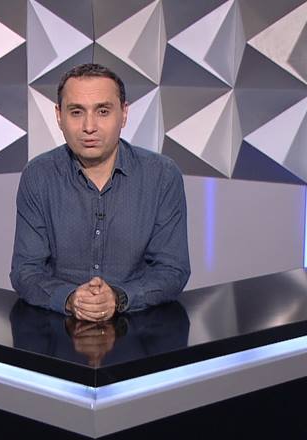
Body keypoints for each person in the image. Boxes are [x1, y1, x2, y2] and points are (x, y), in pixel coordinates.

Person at [10, 63, 190, 322]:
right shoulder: (38, 175)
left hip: (141, 329)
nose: (89, 126)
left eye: (103, 111)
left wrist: (118, 297)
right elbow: (26, 271)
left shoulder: (162, 175)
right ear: (59, 116)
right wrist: (71, 298)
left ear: (124, 114)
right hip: (56, 330)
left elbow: (173, 270)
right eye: (76, 112)